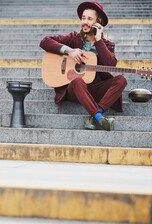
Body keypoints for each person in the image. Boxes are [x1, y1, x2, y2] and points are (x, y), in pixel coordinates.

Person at [40, 1, 127, 131]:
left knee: (121, 80)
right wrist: (70, 51)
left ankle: (95, 115)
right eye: (83, 18)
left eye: (89, 19)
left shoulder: (108, 44)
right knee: (78, 81)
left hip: (96, 88)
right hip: (76, 89)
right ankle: (100, 118)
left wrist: (98, 41)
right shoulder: (75, 38)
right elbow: (45, 41)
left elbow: (111, 64)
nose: (85, 22)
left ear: (99, 22)